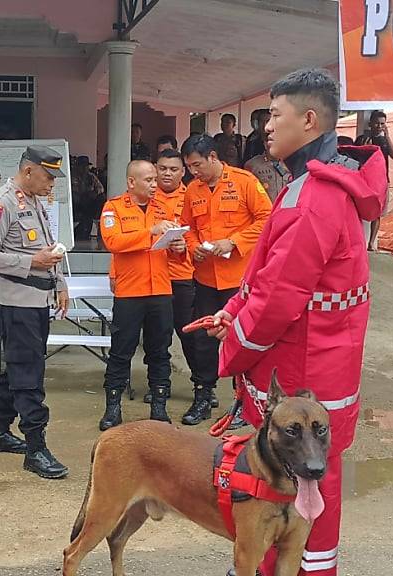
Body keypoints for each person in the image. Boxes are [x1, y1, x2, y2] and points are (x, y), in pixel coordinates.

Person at [210, 68, 387, 576]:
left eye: (274, 115)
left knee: (291, 482)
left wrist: (234, 349)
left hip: (301, 368)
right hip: (326, 366)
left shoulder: (312, 197)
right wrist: (235, 310)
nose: (266, 126)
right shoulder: (320, 183)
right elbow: (273, 280)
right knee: (313, 479)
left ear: (309, 120)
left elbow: (279, 298)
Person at [0, 145, 70, 479]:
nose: (52, 184)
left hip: (38, 302)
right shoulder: (0, 204)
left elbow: (48, 249)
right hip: (17, 304)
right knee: (28, 376)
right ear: (28, 170)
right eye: (48, 176)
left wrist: (60, 283)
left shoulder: (33, 201)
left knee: (16, 370)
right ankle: (35, 447)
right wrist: (31, 262)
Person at [179, 133, 272, 426]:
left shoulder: (245, 182)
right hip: (206, 278)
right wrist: (194, 247)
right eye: (189, 167)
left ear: (213, 158)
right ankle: (203, 396)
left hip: (240, 281)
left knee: (240, 340)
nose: (193, 172)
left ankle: (243, 404)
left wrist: (232, 242)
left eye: (197, 165)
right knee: (203, 341)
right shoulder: (192, 190)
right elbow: (188, 227)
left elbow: (266, 219)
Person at [98, 160, 187, 429]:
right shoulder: (114, 207)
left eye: (154, 179)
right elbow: (114, 242)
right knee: (121, 352)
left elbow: (173, 250)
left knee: (160, 351)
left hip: (160, 289)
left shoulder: (162, 208)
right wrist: (150, 232)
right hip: (129, 291)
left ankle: (159, 406)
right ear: (131, 182)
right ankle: (113, 407)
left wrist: (178, 245)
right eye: (148, 180)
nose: (154, 184)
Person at [150, 148, 200, 405]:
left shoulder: (193, 195)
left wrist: (185, 248)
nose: (167, 174)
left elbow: (200, 236)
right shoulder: (145, 195)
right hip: (153, 277)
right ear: (154, 168)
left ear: (183, 172)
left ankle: (202, 387)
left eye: (173, 169)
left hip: (184, 276)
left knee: (189, 334)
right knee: (157, 335)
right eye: (162, 168)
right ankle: (159, 384)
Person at [355, 110, 393, 251]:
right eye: (377, 123)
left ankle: (371, 243)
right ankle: (359, 240)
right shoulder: (362, 139)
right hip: (364, 179)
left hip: (382, 180)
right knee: (358, 210)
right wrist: (363, 147)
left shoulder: (385, 140)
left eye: (382, 124)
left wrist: (387, 136)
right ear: (370, 124)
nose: (379, 126)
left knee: (378, 212)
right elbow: (354, 157)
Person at [71, 155, 106, 242]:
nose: (84, 168)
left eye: (86, 166)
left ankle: (96, 219)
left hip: (88, 204)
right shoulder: (72, 176)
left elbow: (100, 189)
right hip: (76, 204)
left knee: (100, 198)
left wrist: (92, 194)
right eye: (82, 166)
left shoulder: (91, 176)